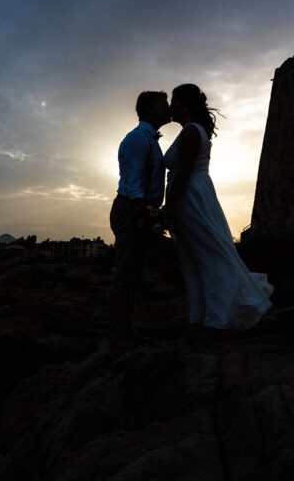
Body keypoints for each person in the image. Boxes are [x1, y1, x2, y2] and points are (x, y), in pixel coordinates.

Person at [162, 83, 274, 345]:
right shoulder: (189, 131)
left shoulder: (191, 132)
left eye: (174, 101)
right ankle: (200, 319)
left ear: (185, 105)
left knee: (206, 256)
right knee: (193, 259)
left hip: (191, 197)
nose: (170, 107)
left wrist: (169, 206)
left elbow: (184, 174)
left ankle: (215, 320)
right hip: (193, 195)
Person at [106, 91, 171, 348]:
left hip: (138, 208)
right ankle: (118, 336)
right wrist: (143, 210)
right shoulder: (138, 139)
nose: (168, 109)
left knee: (132, 274)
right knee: (124, 274)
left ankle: (127, 332)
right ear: (150, 108)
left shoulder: (149, 139)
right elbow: (133, 178)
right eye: (163, 104)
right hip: (132, 209)